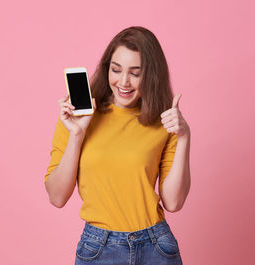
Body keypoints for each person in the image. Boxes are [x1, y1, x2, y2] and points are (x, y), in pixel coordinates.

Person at [44, 26, 191, 264]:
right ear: (106, 69)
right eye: (116, 70)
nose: (123, 81)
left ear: (151, 75)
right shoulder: (78, 117)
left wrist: (184, 137)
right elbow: (57, 196)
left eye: (135, 73)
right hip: (99, 248)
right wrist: (76, 135)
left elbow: (173, 202)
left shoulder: (163, 121)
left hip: (156, 245)